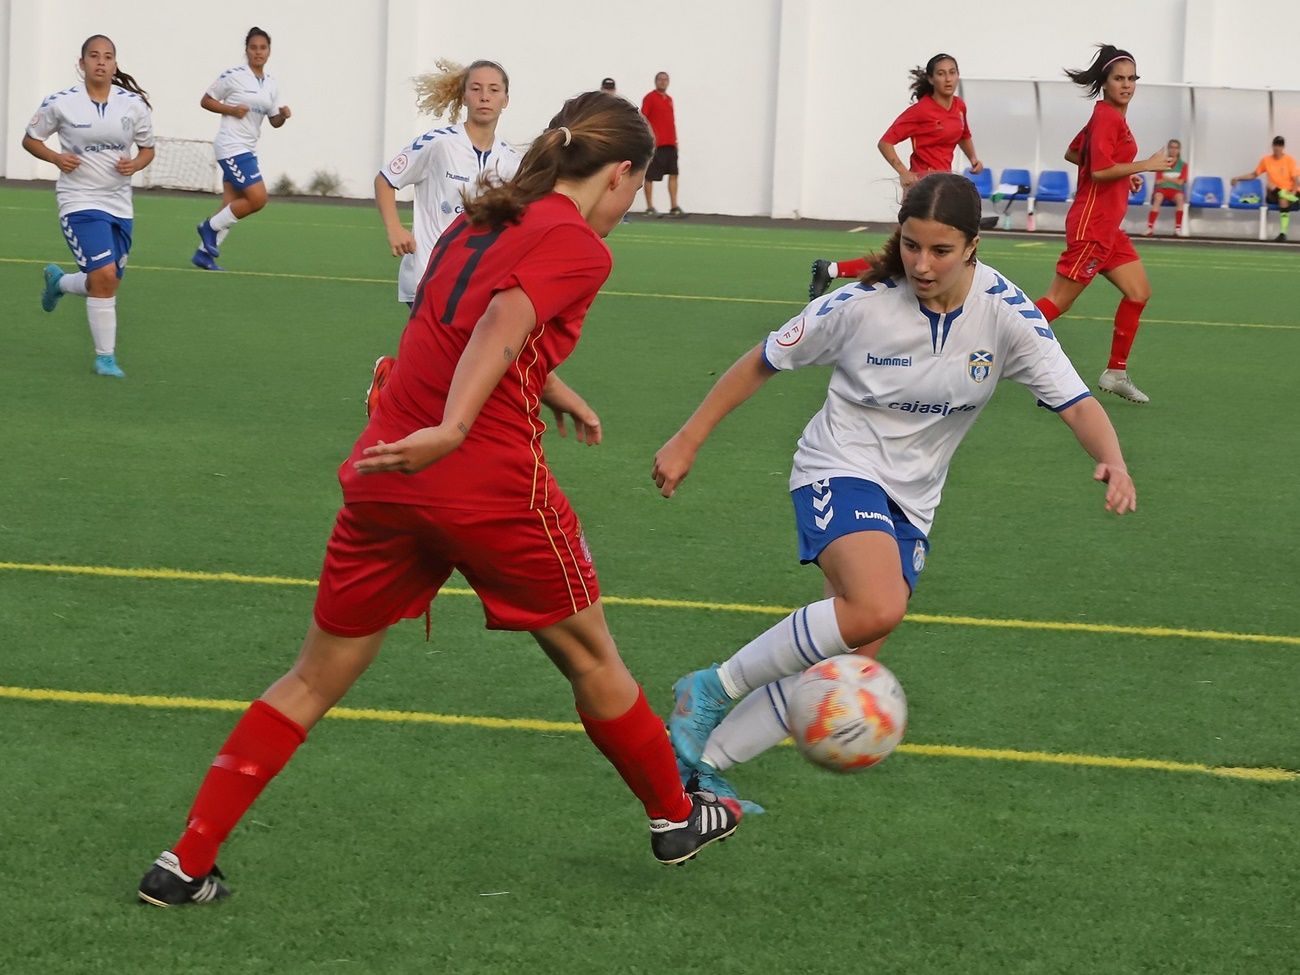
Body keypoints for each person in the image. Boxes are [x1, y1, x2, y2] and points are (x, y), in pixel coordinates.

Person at [136, 91, 742, 908]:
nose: (631, 203)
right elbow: (500, 320)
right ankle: (675, 816)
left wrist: (549, 385)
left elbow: (452, 319)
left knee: (311, 677)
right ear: (623, 172)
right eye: (636, 187)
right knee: (591, 655)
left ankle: (184, 860)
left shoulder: (482, 215)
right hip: (484, 480)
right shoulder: (579, 244)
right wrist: (458, 425)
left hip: (387, 466)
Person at [652, 172, 1137, 810]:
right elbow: (762, 360)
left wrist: (1114, 460)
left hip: (914, 500)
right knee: (878, 607)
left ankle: (699, 769)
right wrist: (688, 439)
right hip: (838, 464)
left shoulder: (1006, 313)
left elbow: (1075, 402)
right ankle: (710, 687)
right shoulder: (859, 305)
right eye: (911, 246)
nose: (921, 264)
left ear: (972, 245)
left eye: (939, 250)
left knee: (845, 655)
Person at [368, 58, 522, 417]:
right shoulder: (439, 144)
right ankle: (399, 398)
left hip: (478, 280)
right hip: (428, 273)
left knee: (453, 360)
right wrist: (394, 228)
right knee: (450, 359)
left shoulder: (512, 162)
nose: (485, 96)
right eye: (476, 88)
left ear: (505, 100)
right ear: (464, 96)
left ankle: (392, 383)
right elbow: (385, 180)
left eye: (494, 90)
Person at [1031, 44, 1174, 405]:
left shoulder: (1108, 117)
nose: (1126, 85)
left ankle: (1116, 372)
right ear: (1105, 83)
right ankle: (988, 345)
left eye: (1131, 79)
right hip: (1092, 228)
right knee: (1057, 303)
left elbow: (1075, 153)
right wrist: (1143, 166)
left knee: (1139, 292)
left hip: (1109, 230)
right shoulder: (1107, 117)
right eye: (1118, 79)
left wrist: (1123, 176)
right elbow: (1097, 169)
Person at [23, 34, 155, 378]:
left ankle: (59, 284)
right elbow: (31, 139)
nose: (101, 62)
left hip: (119, 205)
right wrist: (55, 157)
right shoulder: (61, 103)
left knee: (105, 282)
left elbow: (147, 149)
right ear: (81, 64)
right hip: (79, 201)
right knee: (104, 275)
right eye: (93, 56)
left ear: (114, 64)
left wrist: (136, 165)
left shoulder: (133, 105)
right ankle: (105, 358)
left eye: (108, 56)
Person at [809, 53, 984, 300]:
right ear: (931, 79)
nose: (948, 78)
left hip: (945, 190)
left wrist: (974, 158)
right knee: (908, 253)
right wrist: (904, 172)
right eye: (941, 73)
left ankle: (833, 269)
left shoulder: (959, 107)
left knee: (923, 251)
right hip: (923, 191)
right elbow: (886, 142)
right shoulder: (921, 111)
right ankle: (846, 287)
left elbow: (963, 134)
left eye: (952, 72)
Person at [192, 27, 291, 271]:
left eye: (263, 48)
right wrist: (231, 110)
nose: (258, 52)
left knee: (231, 202)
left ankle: (204, 255)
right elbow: (206, 100)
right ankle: (209, 227)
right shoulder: (234, 76)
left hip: (248, 147)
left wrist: (284, 116)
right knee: (257, 198)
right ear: (246, 50)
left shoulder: (271, 84)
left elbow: (274, 120)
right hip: (231, 146)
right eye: (253, 47)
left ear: (269, 52)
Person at [1231, 136, 1300, 242]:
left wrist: (1293, 193)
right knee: (1270, 185)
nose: (1277, 148)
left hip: (1289, 193)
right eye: (1276, 145)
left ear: (1283, 147)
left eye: (1280, 145)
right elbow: (1254, 174)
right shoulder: (1266, 160)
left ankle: (1283, 233)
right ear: (1272, 146)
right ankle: (1289, 197)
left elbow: (1296, 180)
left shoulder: (1289, 160)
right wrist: (1238, 178)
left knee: (1283, 198)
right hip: (1274, 194)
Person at [640, 71, 684, 217]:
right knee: (650, 176)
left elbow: (671, 122)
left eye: (666, 79)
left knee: (674, 174)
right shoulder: (650, 98)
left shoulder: (669, 99)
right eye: (660, 79)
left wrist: (675, 140)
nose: (663, 82)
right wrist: (649, 139)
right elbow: (643, 118)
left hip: (670, 144)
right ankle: (650, 207)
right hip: (656, 145)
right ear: (655, 81)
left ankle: (674, 206)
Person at [1145, 138, 1188, 237]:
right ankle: (1149, 228)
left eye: (1176, 148)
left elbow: (1181, 182)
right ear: (1168, 148)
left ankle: (1177, 229)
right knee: (1158, 197)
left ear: (1179, 150)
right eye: (1171, 147)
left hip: (1176, 191)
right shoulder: (1162, 163)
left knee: (1180, 198)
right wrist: (1174, 179)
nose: (1173, 150)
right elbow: (1158, 181)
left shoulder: (1183, 165)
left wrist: (1166, 178)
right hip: (1162, 190)